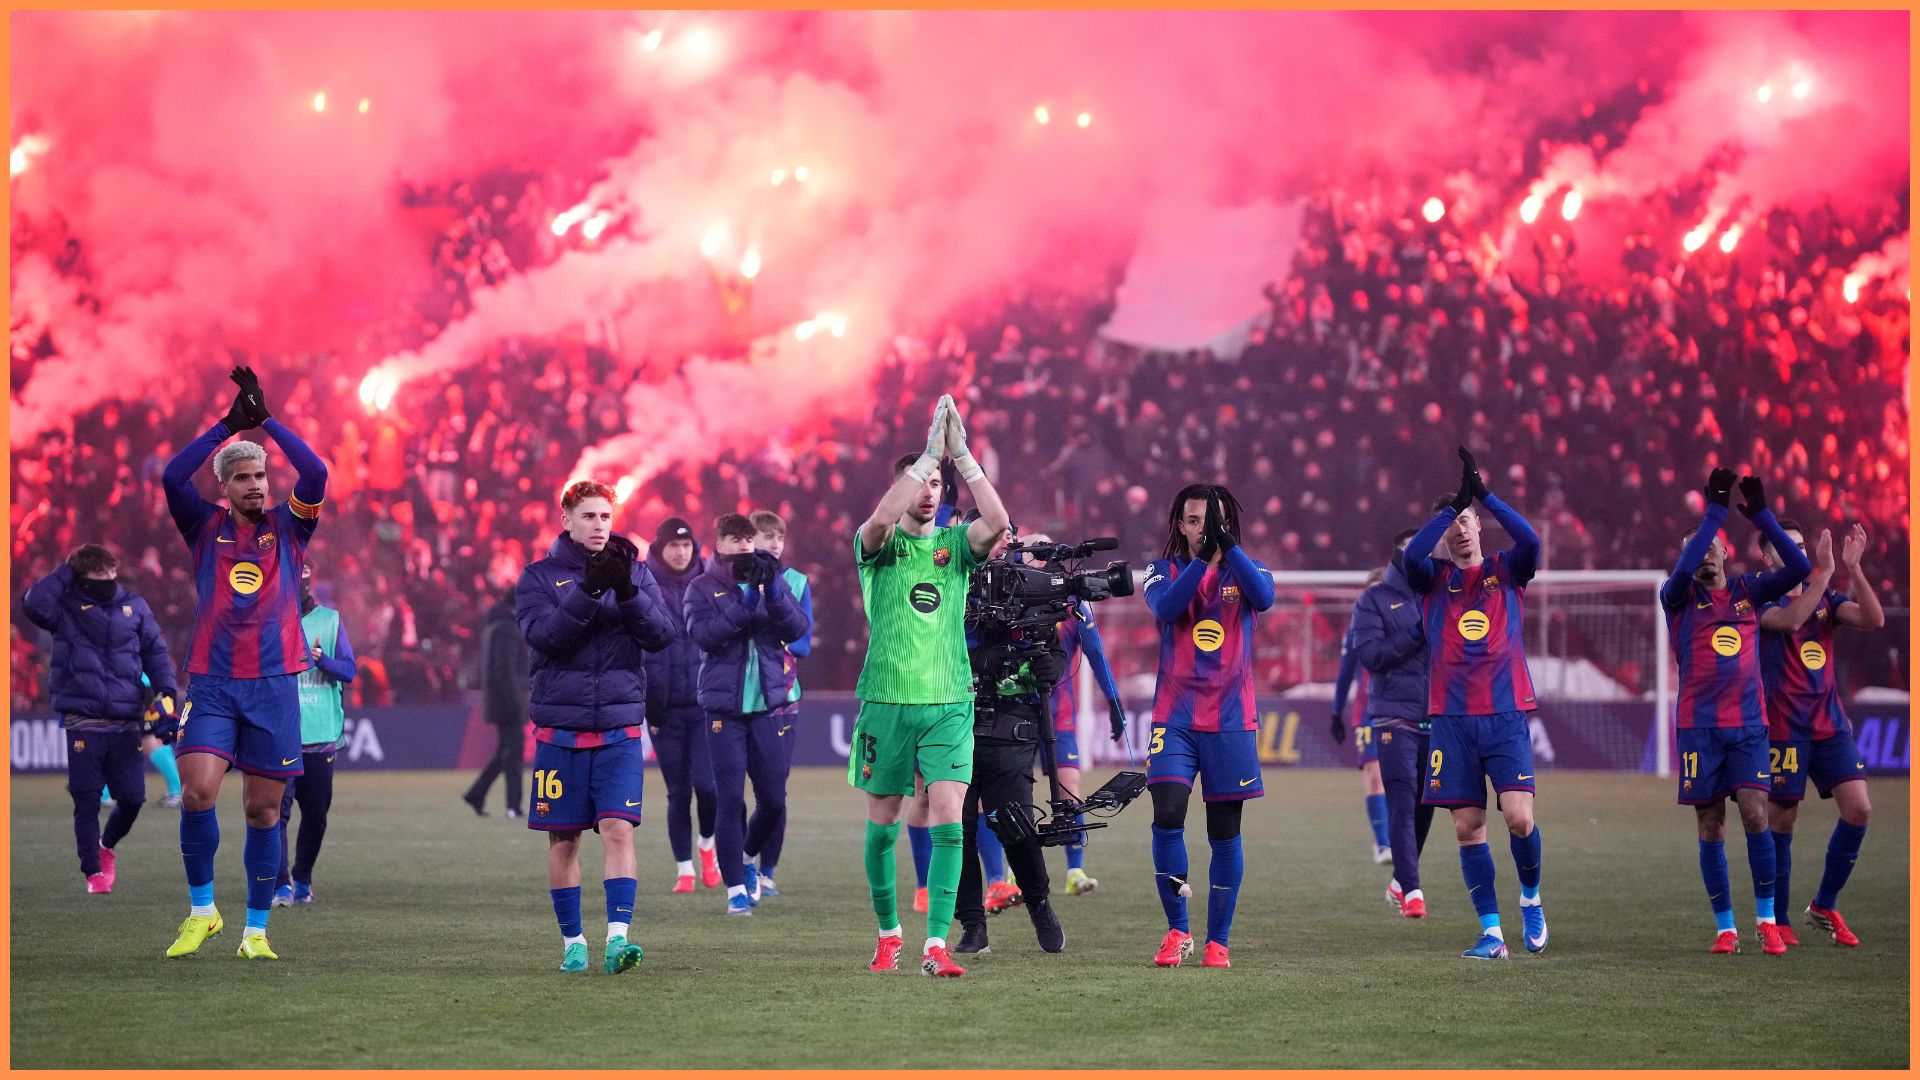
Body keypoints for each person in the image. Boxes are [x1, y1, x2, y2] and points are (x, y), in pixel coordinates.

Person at [161, 366, 327, 960]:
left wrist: (267, 423)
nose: (258, 485)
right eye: (245, 477)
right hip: (211, 684)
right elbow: (170, 474)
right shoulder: (201, 527)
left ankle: (255, 930)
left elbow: (316, 472)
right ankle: (202, 912)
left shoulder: (290, 527)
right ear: (225, 487)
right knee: (199, 793)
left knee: (263, 809)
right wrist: (227, 428)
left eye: (261, 476)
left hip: (275, 686)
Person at [850, 394, 1008, 977]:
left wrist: (961, 457)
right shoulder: (881, 546)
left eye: (937, 482)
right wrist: (923, 458)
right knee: (884, 826)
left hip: (948, 701)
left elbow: (999, 524)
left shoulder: (955, 546)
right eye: (921, 480)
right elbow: (879, 521)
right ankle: (889, 932)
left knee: (949, 817)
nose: (929, 489)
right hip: (887, 701)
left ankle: (935, 944)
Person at [515, 480, 674, 973]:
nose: (599, 525)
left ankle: (617, 939)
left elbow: (662, 635)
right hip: (560, 731)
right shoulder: (538, 578)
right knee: (564, 840)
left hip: (620, 727)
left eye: (605, 517)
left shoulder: (637, 574)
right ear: (566, 520)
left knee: (618, 830)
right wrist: (589, 591)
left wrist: (626, 590)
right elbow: (546, 638)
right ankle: (573, 944)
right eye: (588, 516)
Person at [1402, 448, 1545, 961]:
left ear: (1480, 527)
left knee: (1519, 819)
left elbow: (1531, 539)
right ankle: (1492, 934)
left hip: (1505, 714)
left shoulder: (1508, 570)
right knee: (1467, 827)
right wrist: (1446, 509)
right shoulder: (1433, 579)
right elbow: (1407, 558)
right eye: (1452, 524)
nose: (1460, 530)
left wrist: (1484, 496)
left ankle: (1530, 898)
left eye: (1467, 521)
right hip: (1452, 720)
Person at [1662, 469, 1809, 955]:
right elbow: (1684, 567)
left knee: (1754, 812)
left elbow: (1798, 571)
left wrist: (1763, 516)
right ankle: (1726, 927)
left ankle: (1766, 920)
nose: (1703, 550)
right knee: (1711, 825)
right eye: (1694, 545)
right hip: (1698, 729)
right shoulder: (1678, 598)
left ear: (1727, 552)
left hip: (1747, 727)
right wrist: (1714, 515)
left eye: (1712, 543)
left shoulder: (1748, 592)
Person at [1142, 483, 1275, 969]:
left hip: (1232, 721)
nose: (1203, 529)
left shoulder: (1250, 570)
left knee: (1224, 830)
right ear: (1181, 524)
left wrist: (1229, 550)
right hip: (1174, 717)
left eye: (1212, 521)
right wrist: (1203, 560)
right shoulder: (1162, 571)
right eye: (1195, 520)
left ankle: (1218, 939)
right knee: (1169, 811)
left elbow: (1264, 599)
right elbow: (1167, 609)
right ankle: (1177, 931)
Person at [22, 543, 179, 893]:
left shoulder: (134, 606)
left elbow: (155, 649)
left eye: (111, 572)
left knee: (133, 798)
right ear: (81, 577)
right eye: (99, 574)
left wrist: (167, 689)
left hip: (126, 719)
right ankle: (93, 871)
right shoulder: (64, 608)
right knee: (87, 798)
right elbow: (33, 603)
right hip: (84, 718)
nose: (109, 578)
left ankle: (106, 847)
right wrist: (68, 570)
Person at [1759, 520, 1884, 947]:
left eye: (1798, 546)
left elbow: (1873, 618)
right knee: (1782, 820)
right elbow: (1793, 622)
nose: (1794, 553)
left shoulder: (1828, 600)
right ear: (1767, 556)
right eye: (1783, 547)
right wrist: (1826, 573)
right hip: (1783, 729)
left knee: (1859, 810)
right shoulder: (1758, 598)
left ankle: (1823, 904)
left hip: (1830, 726)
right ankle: (1778, 918)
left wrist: (1853, 568)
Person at [682, 513, 809, 916]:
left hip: (768, 707)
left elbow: (797, 629)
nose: (742, 547)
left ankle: (747, 856)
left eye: (747, 540)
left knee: (773, 800)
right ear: (719, 544)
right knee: (730, 797)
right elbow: (704, 636)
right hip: (724, 711)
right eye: (734, 539)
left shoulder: (772, 579)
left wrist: (770, 591)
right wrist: (744, 605)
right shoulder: (702, 587)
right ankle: (735, 887)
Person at [952, 525, 1068, 956]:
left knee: (1013, 821)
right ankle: (972, 926)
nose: (1001, 545)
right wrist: (986, 656)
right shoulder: (951, 580)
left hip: (1011, 720)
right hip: (952, 716)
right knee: (956, 828)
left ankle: (1038, 902)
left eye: (1006, 537)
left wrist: (1050, 668)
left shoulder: (1027, 589)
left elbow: (1051, 647)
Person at [1023, 530, 1127, 898]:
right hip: (1016, 713)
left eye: (1048, 552)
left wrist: (1114, 705)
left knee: (1069, 793)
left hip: (1059, 716)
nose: (1045, 558)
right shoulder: (1008, 600)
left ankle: (1074, 870)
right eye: (1037, 552)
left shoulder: (1072, 607)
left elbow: (1097, 657)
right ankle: (1002, 876)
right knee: (1007, 797)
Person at [1341, 529, 1433, 919]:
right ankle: (1411, 889)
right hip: (1390, 712)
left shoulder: (1440, 594)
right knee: (1392, 789)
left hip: (1439, 714)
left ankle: (1400, 877)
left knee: (1427, 801)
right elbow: (1363, 660)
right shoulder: (1372, 603)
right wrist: (1335, 710)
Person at [643, 517, 722, 892]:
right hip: (664, 710)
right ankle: (685, 870)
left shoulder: (710, 584)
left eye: (687, 545)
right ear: (660, 549)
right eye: (674, 545)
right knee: (678, 792)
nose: (681, 551)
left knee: (707, 788)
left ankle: (707, 845)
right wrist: (648, 704)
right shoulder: (643, 586)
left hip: (705, 705)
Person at [272, 564, 356, 906]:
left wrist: (324, 661)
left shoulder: (330, 620)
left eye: (303, 575)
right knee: (275, 814)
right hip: (280, 734)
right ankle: (280, 884)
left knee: (316, 814)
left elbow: (349, 670)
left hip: (321, 735)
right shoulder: (269, 621)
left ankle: (302, 877)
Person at [747, 509, 815, 897]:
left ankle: (766, 871)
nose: (773, 543)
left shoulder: (796, 581)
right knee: (727, 792)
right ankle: (737, 863)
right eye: (766, 535)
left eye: (779, 537)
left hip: (781, 700)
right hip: (736, 701)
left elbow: (804, 642)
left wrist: (775, 641)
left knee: (774, 792)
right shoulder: (730, 580)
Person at [1332, 569, 1394, 867]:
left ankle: (1399, 840)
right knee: (1375, 776)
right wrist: (1336, 711)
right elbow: (1345, 673)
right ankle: (1382, 844)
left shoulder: (1405, 623)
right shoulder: (1356, 629)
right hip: (1368, 712)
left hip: (1401, 709)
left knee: (1403, 780)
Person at [464, 582, 530, 819]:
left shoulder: (496, 625)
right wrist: (517, 702)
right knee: (513, 752)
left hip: (500, 699)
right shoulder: (507, 628)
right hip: (507, 702)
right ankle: (513, 806)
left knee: (506, 750)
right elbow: (505, 669)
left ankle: (476, 793)